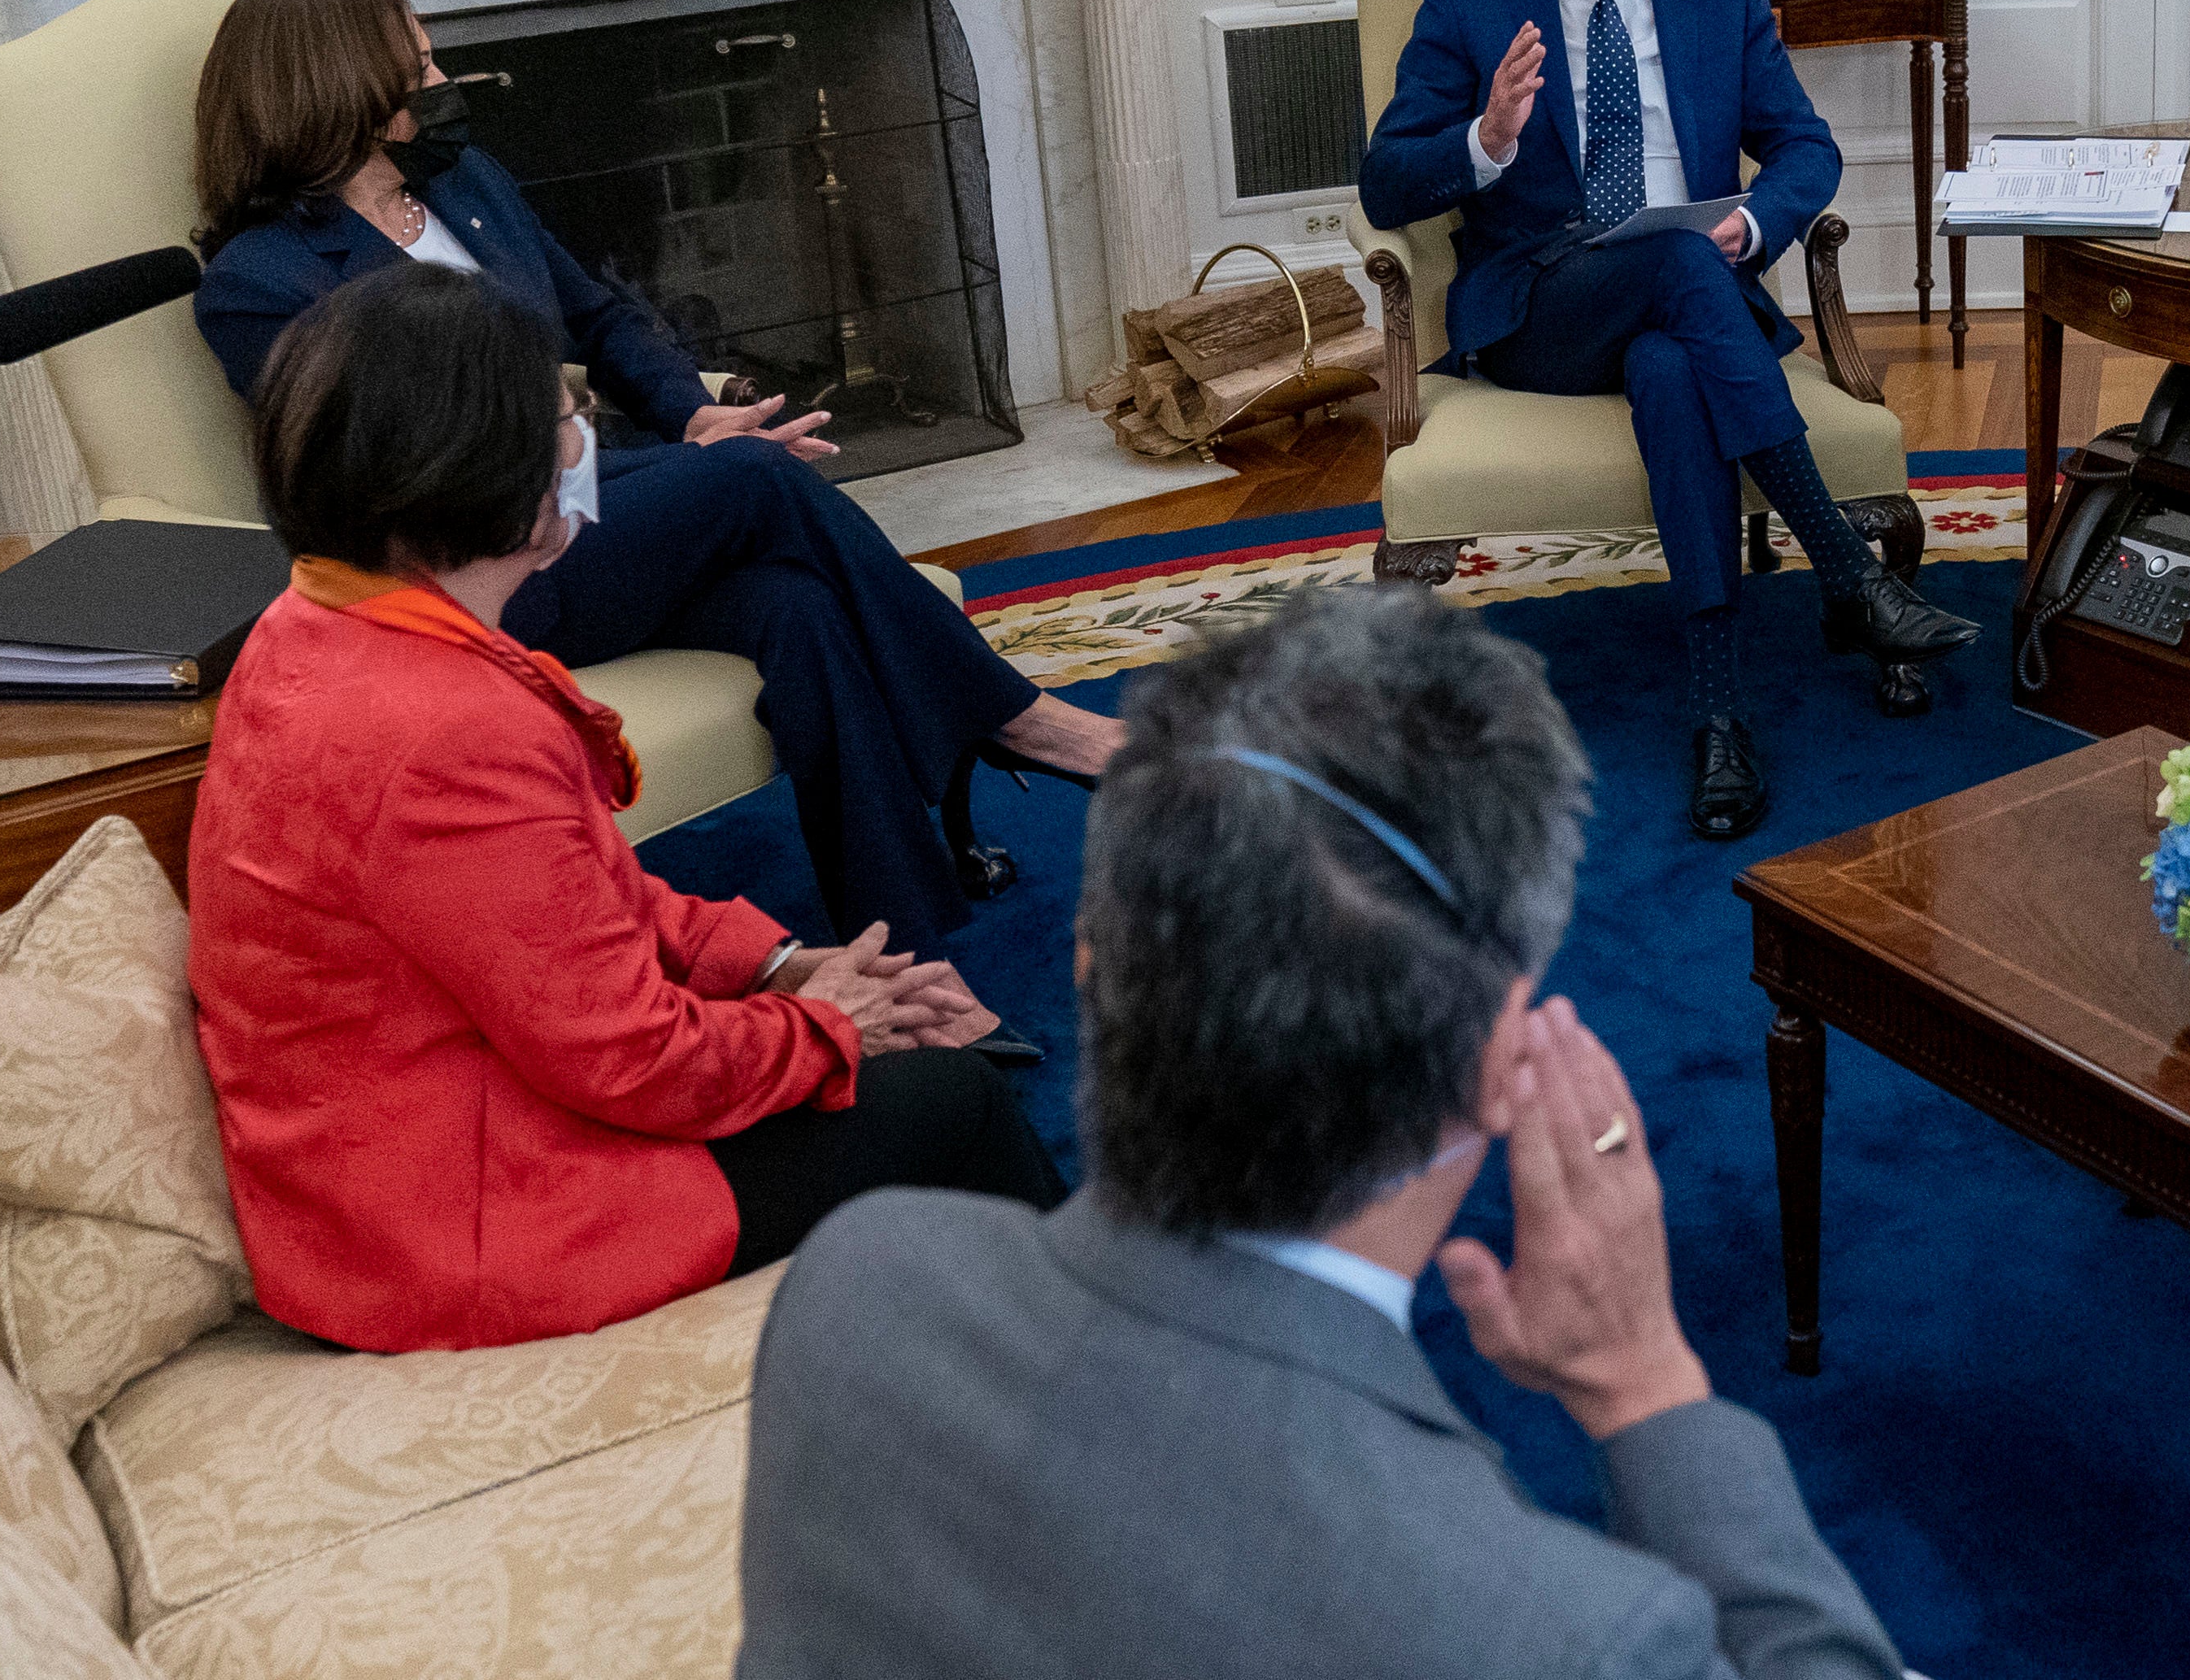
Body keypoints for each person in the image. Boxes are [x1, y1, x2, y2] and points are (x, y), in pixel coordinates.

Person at [734, 587, 1906, 1680]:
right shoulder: (1569, 1632)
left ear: (1090, 965)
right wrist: (1646, 1382)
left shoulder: (855, 1281)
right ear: (1502, 1064)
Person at [185, 263, 1066, 1357]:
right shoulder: (447, 729)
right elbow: (631, 1062)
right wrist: (833, 1027)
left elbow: (565, 898)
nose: (579, 438)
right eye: (560, 417)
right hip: (457, 1221)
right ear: (475, 466)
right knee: (953, 1100)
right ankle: (1102, 1399)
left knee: (897, 1062)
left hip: (397, 1156)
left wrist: (783, 964)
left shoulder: (312, 625)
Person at [186, 0, 1120, 949]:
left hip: (585, 505)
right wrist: (654, 455)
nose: (443, 77)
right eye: (418, 64)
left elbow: (594, 311)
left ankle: (905, 943)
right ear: (336, 87)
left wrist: (691, 417)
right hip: (480, 569)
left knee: (795, 601)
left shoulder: (461, 186)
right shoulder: (261, 284)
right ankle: (1021, 718)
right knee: (759, 476)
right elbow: (394, 476)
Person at [1358, 0, 1975, 838]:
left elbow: (1802, 146)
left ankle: (1717, 712)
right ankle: (1845, 571)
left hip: (1681, 311)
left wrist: (1758, 221)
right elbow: (1386, 180)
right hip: (1542, 307)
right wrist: (1487, 139)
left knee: (1673, 358)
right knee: (1688, 273)